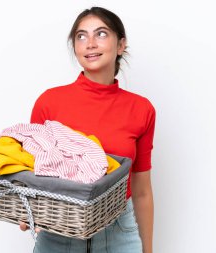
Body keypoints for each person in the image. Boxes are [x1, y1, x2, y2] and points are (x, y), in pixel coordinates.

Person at [20, 6, 155, 253]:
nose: (90, 43)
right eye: (81, 36)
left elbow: (142, 190)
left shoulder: (141, 109)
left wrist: (148, 250)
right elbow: (32, 172)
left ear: (121, 45)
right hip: (59, 230)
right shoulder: (49, 102)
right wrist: (26, 210)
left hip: (119, 233)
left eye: (101, 34)